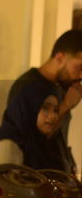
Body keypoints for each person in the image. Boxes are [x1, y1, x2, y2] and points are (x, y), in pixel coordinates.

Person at [8, 30, 82, 174]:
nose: (80, 75)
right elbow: (35, 137)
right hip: (35, 180)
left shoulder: (59, 86)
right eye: (79, 67)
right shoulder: (28, 86)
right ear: (60, 58)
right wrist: (66, 105)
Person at [0, 80, 69, 171]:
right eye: (45, 107)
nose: (53, 116)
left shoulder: (40, 144)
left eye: (55, 110)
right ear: (28, 108)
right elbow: (4, 184)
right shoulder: (8, 145)